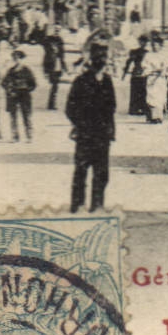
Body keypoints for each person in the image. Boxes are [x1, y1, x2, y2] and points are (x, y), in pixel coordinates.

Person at [65, 42, 117, 212]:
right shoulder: (81, 81)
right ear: (92, 60)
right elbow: (70, 108)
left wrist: (110, 129)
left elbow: (112, 107)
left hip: (102, 133)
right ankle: (77, 204)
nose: (102, 61)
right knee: (81, 169)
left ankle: (97, 203)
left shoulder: (107, 81)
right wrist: (81, 124)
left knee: (102, 172)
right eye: (99, 57)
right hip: (85, 133)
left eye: (104, 57)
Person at [1, 49, 37, 142]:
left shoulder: (27, 70)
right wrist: (9, 90)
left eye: (19, 58)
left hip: (24, 95)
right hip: (13, 95)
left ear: (22, 59)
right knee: (13, 116)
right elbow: (4, 83)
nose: (17, 60)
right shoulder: (11, 71)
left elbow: (33, 84)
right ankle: (14, 136)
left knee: (26, 115)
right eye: (15, 58)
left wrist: (26, 89)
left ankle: (29, 136)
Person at [122, 36, 153, 119]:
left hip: (143, 73)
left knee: (143, 92)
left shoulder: (147, 52)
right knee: (135, 92)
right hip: (136, 73)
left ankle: (142, 108)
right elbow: (129, 62)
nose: (143, 43)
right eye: (142, 41)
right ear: (139, 42)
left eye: (145, 42)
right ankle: (134, 109)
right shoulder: (134, 51)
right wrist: (124, 73)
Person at [41, 27, 66, 111]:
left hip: (57, 65)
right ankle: (51, 104)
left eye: (58, 30)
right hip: (51, 65)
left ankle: (52, 103)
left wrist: (64, 67)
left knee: (55, 85)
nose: (57, 31)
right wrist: (45, 71)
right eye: (55, 30)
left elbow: (62, 55)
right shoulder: (48, 40)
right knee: (54, 85)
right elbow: (46, 55)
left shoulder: (60, 40)